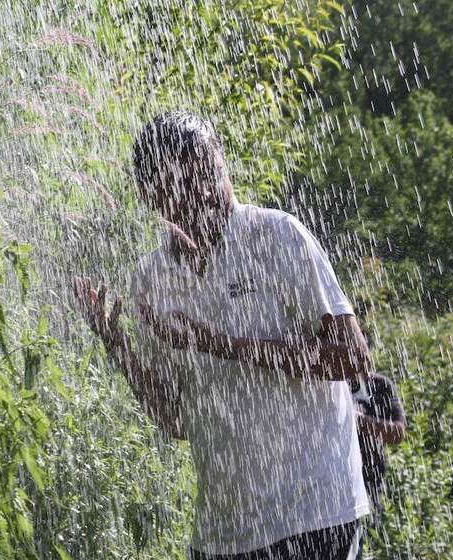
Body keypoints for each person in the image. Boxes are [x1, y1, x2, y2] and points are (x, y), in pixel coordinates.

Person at [72, 111, 373, 559]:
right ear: (153, 196)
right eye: (186, 180)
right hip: (224, 533)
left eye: (212, 170)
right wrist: (119, 347)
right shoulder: (152, 279)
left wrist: (220, 344)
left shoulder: (276, 236)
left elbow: (353, 359)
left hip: (315, 512)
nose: (208, 189)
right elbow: (174, 420)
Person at [350, 349, 406, 557]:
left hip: (369, 482)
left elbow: (398, 433)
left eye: (363, 356)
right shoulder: (332, 384)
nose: (361, 363)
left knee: (360, 544)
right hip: (335, 483)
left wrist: (359, 422)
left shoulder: (381, 385)